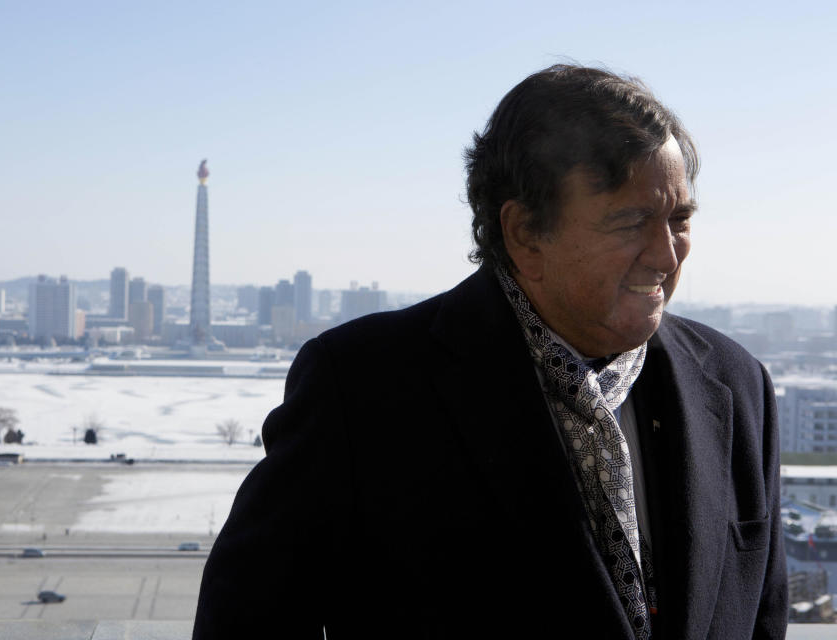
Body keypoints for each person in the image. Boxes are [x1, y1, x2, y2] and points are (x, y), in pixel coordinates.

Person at [193, 65, 787, 639]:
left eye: (679, 218)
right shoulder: (363, 389)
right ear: (524, 232)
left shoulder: (738, 387)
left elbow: (760, 617)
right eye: (630, 222)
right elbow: (247, 620)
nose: (666, 254)